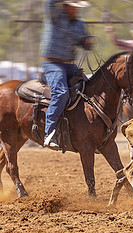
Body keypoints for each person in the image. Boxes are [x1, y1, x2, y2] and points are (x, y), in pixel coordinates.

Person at [41, 0, 93, 149]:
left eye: (77, 7)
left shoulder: (80, 24)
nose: (75, 10)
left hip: (70, 65)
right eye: (73, 6)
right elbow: (48, 2)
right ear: (65, 6)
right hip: (52, 63)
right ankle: (49, 133)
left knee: (90, 88)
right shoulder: (55, 16)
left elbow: (83, 41)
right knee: (61, 93)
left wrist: (87, 42)